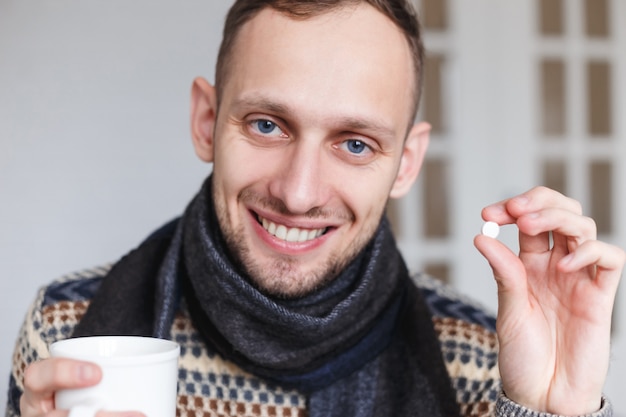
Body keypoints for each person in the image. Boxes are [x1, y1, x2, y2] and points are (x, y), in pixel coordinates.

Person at [8, 0, 624, 416]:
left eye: (355, 143)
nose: (298, 193)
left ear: (405, 163)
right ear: (206, 122)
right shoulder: (69, 329)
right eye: (268, 125)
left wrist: (549, 412)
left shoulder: (478, 356)